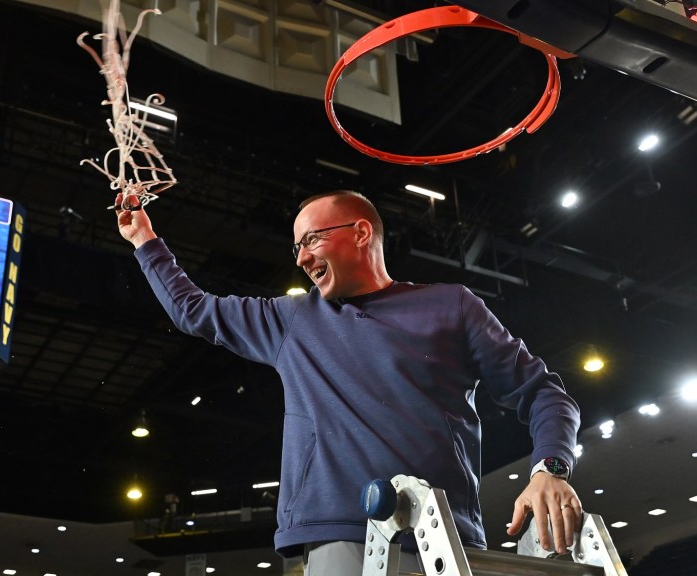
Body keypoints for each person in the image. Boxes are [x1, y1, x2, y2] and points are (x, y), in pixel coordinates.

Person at [115, 190, 582, 574]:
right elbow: (194, 310)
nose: (300, 257)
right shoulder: (291, 320)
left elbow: (544, 393)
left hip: (443, 535)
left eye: (311, 240)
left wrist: (550, 470)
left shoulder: (451, 306)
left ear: (360, 232)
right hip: (336, 532)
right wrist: (145, 240)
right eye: (296, 246)